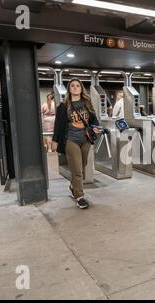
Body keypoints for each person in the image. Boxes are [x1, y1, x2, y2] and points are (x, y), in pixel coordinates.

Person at [52, 78, 100, 209]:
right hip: (71, 140)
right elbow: (58, 125)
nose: (75, 87)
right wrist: (55, 140)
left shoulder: (87, 103)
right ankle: (80, 196)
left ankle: (73, 186)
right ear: (69, 89)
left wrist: (95, 126)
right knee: (76, 169)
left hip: (86, 140)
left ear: (81, 88)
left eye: (77, 86)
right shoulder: (63, 106)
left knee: (83, 166)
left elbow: (94, 119)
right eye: (72, 86)